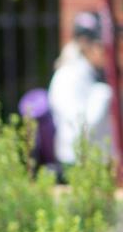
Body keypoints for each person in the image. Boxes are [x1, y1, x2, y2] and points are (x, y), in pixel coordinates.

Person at [48, 10, 114, 169]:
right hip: (77, 165)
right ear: (84, 43)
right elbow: (82, 127)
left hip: (98, 162)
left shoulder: (93, 74)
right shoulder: (68, 76)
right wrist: (104, 93)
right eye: (102, 44)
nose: (108, 51)